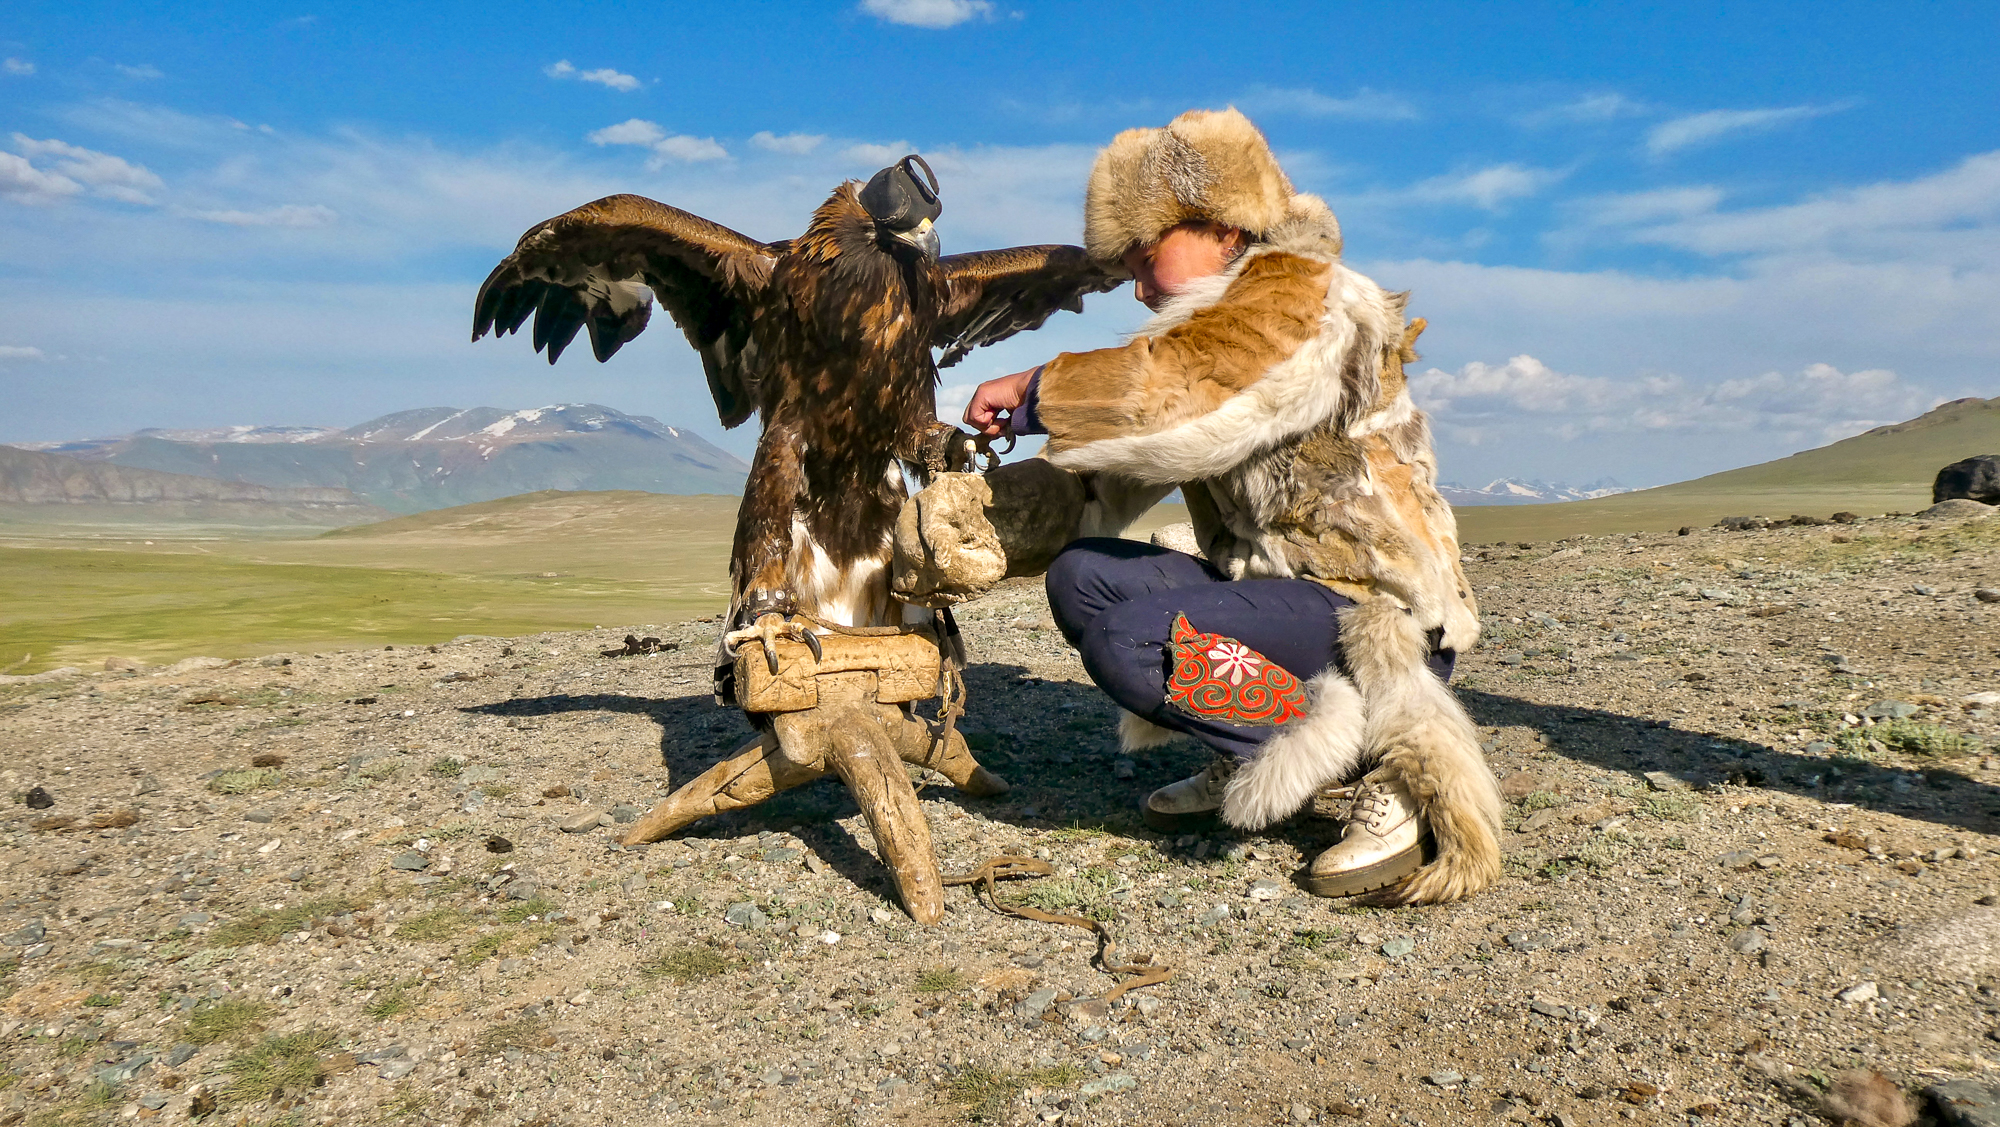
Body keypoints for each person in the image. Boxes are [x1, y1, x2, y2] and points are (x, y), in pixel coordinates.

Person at [905, 108, 1499, 904]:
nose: (1140, 287)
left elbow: (1182, 395)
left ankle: (1376, 759)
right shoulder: (1214, 326)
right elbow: (1105, 474)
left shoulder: (1308, 301)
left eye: (1147, 259)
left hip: (1374, 617)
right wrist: (960, 519)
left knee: (1132, 640)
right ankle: (1256, 739)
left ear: (1220, 226)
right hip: (1278, 595)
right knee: (1083, 577)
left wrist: (1042, 388)